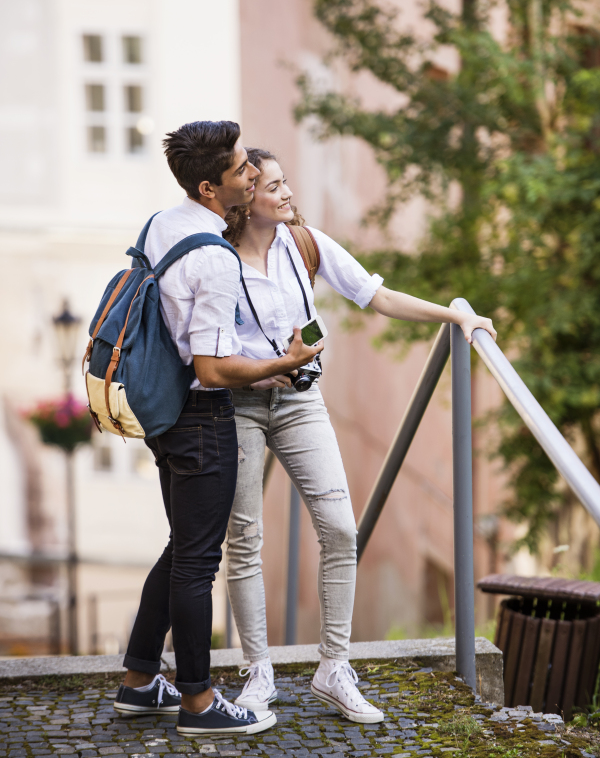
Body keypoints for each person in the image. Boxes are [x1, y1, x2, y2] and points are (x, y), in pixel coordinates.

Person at [223, 148, 497, 724]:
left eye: (285, 181)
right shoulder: (217, 259)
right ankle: (257, 673)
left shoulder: (306, 245)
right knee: (245, 539)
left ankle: (334, 667)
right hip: (239, 406)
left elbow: (379, 296)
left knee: (341, 530)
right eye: (274, 186)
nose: (288, 193)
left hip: (301, 401)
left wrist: (454, 317)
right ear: (247, 197)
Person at [112, 124, 323, 739]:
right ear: (210, 188)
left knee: (182, 546)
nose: (252, 173)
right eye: (240, 169)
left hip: (161, 408)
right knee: (199, 562)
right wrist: (284, 364)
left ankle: (138, 681)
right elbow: (214, 367)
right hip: (202, 418)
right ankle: (200, 702)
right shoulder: (215, 257)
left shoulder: (162, 223)